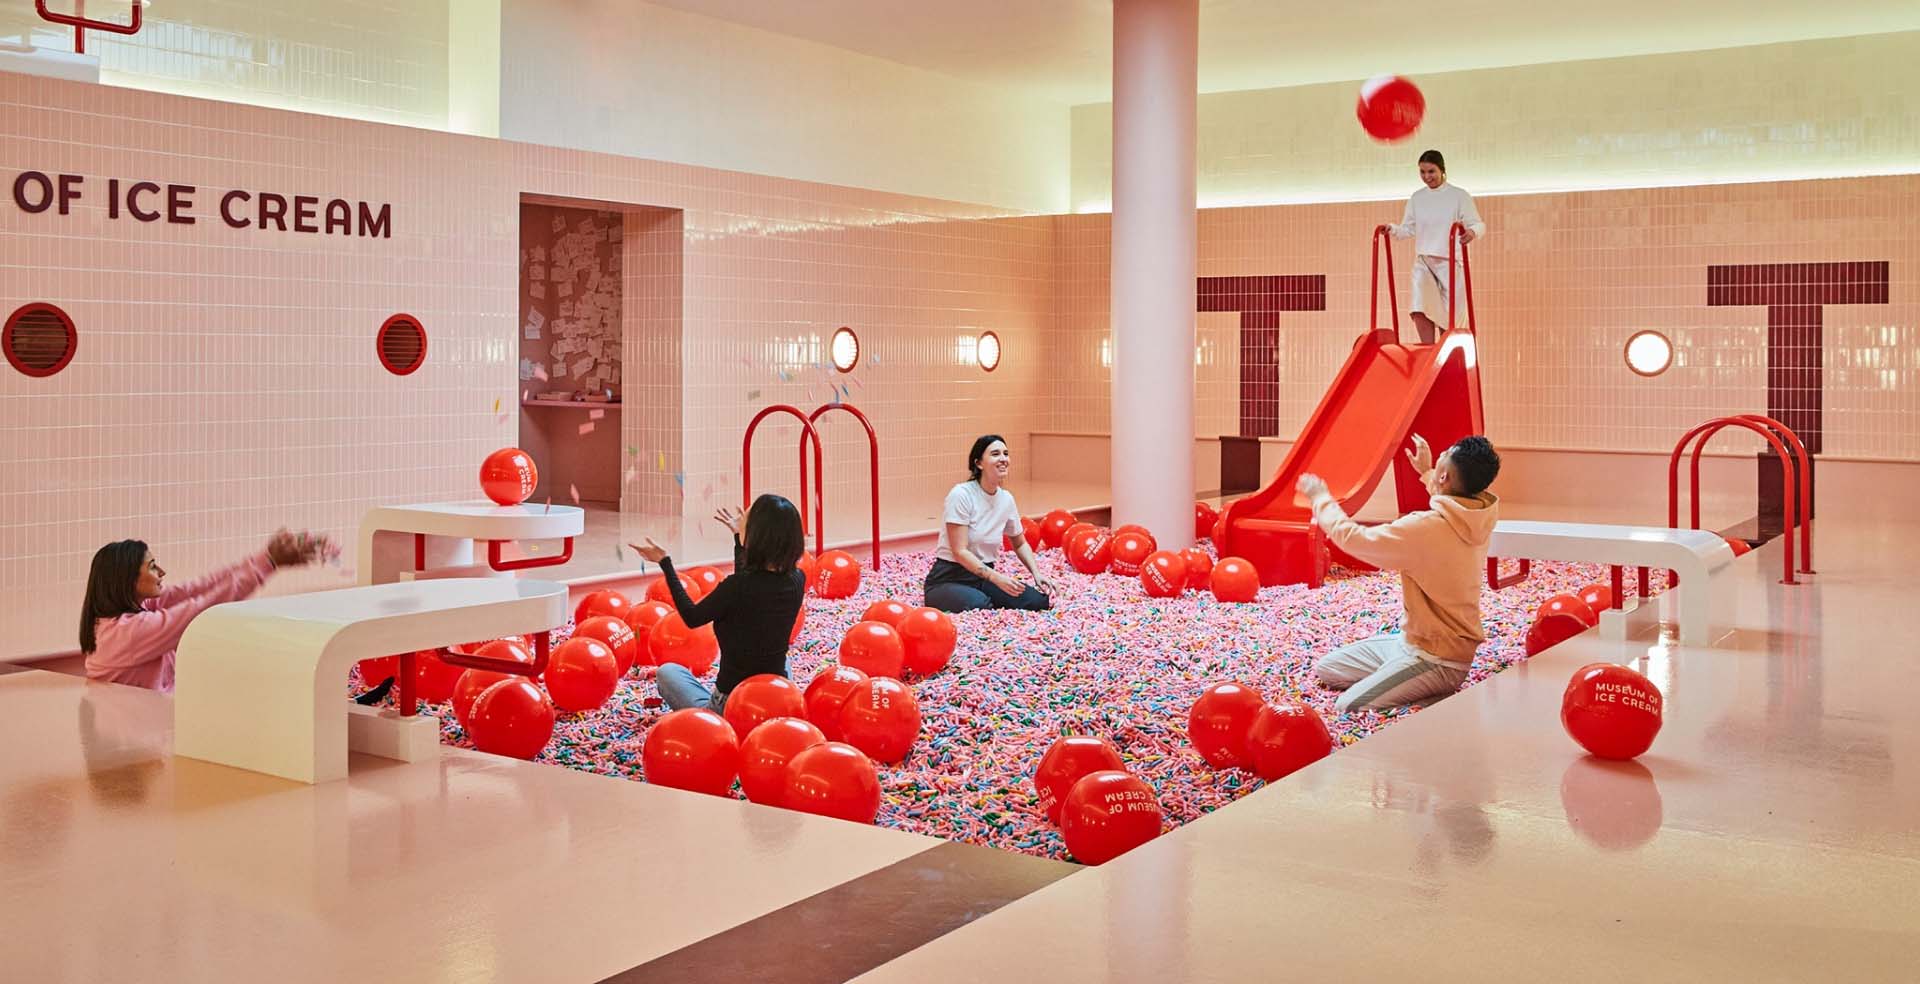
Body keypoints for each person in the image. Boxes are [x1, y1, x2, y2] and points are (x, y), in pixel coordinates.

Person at [1297, 434, 1500, 712]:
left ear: (1445, 478)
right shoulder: (1478, 515)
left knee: (1349, 705)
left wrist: (1321, 499)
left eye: (1443, 453)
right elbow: (1450, 500)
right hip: (1411, 642)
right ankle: (1398, 675)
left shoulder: (1424, 529)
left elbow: (1354, 539)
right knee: (1328, 669)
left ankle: (1434, 695)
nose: (1439, 454)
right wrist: (1428, 472)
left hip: (1439, 661)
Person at [80, 529, 334, 692]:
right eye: (153, 566)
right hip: (132, 743)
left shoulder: (137, 611)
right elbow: (201, 607)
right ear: (128, 580)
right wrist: (269, 564)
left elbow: (201, 588)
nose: (162, 572)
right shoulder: (128, 633)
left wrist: (265, 558)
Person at [631, 494, 806, 713]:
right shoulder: (798, 579)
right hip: (776, 695)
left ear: (757, 534)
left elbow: (692, 616)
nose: (742, 518)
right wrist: (737, 537)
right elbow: (751, 586)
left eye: (747, 518)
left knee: (667, 672)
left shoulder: (736, 587)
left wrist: (665, 562)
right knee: (782, 662)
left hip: (731, 704)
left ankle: (712, 715)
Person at [923, 434, 1054, 613]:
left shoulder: (1006, 499)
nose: (1003, 459)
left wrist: (1036, 573)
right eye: (995, 454)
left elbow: (1020, 542)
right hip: (949, 577)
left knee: (1037, 602)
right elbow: (959, 551)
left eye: (1005, 453)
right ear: (978, 463)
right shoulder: (961, 494)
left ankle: (981, 594)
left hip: (983, 578)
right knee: (980, 606)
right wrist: (997, 579)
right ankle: (953, 596)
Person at [1387, 150, 1485, 344]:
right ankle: (1428, 350)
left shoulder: (1458, 196)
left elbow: (1478, 224)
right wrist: (1392, 229)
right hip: (1424, 260)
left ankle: (1445, 352)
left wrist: (1472, 232)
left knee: (1450, 316)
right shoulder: (1417, 198)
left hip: (1451, 262)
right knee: (1419, 306)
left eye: (1431, 171)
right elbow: (1408, 228)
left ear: (1442, 170)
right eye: (1422, 172)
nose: (1427, 177)